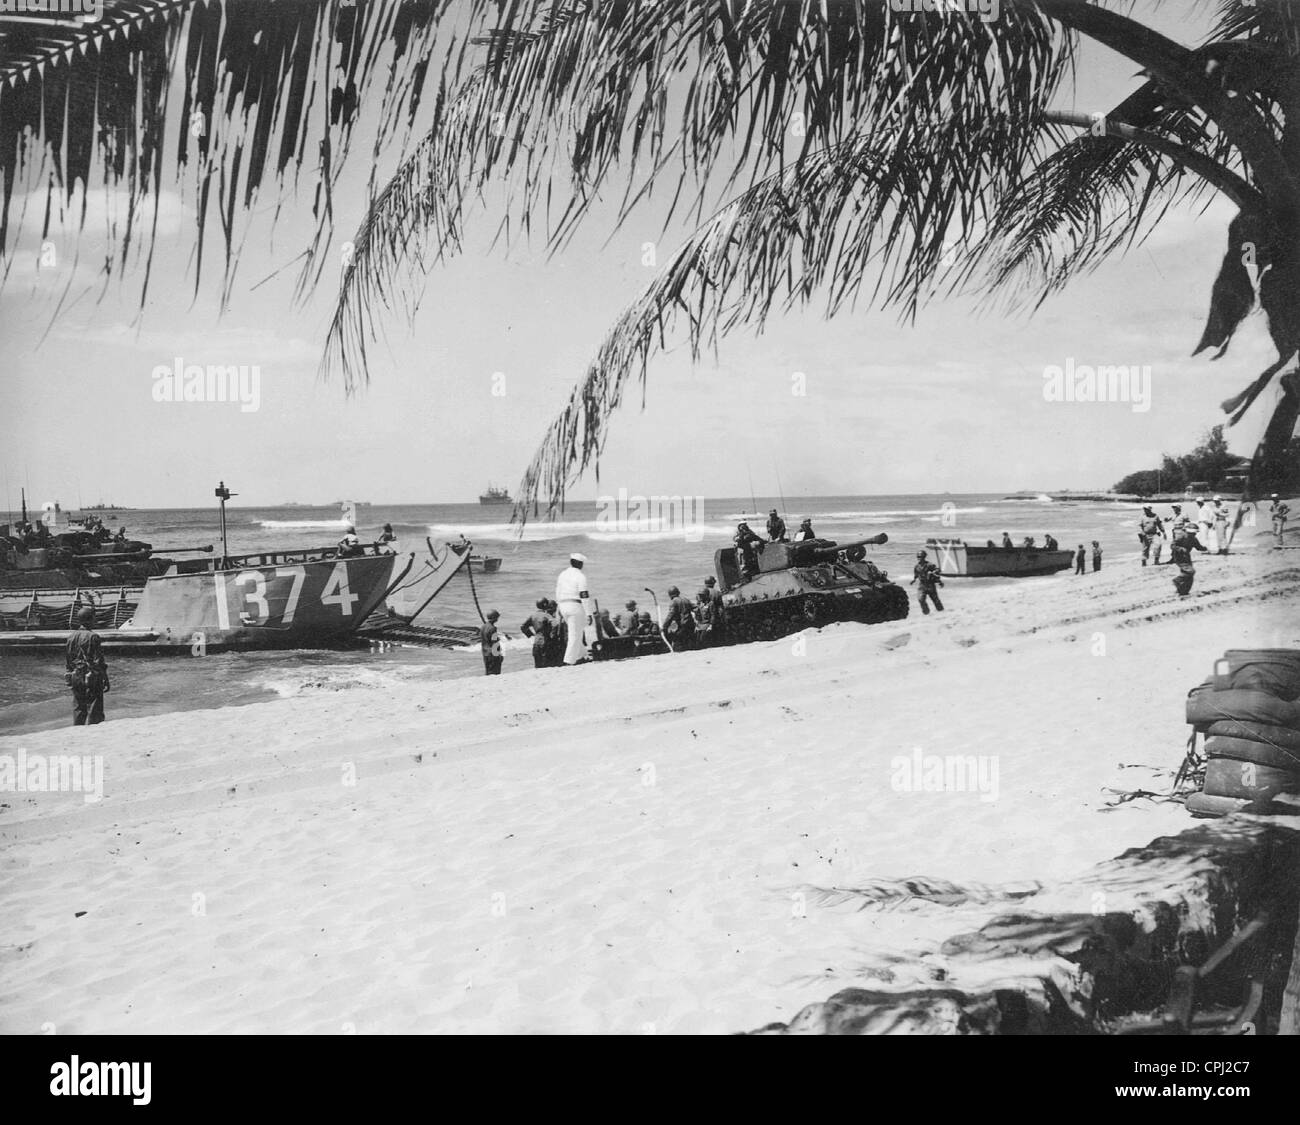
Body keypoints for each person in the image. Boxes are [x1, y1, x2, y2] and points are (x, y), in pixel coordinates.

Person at [65, 606, 109, 726]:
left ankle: (78, 730)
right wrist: (105, 678)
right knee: (95, 708)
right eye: (93, 618)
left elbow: (68, 660)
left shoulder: (71, 637)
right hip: (92, 675)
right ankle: (94, 733)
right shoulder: (93, 636)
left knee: (78, 707)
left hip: (75, 674)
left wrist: (69, 676)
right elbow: (99, 661)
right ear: (90, 619)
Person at [555, 552, 592, 665]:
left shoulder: (562, 574)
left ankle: (582, 656)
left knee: (576, 632)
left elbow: (558, 591)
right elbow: (584, 595)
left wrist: (558, 608)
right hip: (575, 605)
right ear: (580, 564)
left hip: (563, 605)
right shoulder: (580, 576)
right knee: (575, 634)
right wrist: (589, 613)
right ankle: (569, 661)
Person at [1170, 529, 1209, 597]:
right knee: (1191, 571)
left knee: (1189, 576)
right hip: (1179, 556)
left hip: (1187, 556)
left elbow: (1198, 547)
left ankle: (1183, 591)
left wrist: (1205, 548)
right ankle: (1177, 580)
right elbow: (1172, 546)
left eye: (1194, 533)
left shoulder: (1193, 539)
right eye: (1192, 533)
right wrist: (1180, 549)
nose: (1194, 535)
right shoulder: (1181, 536)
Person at [520, 599, 553, 669]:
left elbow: (523, 627)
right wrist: (552, 634)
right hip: (546, 641)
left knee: (537, 664)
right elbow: (555, 625)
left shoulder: (533, 616)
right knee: (546, 664)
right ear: (545, 605)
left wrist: (531, 635)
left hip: (536, 641)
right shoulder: (547, 615)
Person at [661, 585, 696, 649]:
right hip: (691, 623)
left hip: (683, 625)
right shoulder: (686, 599)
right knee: (689, 639)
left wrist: (664, 626)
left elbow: (670, 615)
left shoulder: (673, 602)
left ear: (670, 595)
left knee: (678, 643)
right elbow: (695, 608)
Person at [910, 550, 944, 615]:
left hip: (930, 585)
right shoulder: (916, 566)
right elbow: (916, 575)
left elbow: (938, 570)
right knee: (920, 599)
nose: (919, 558)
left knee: (935, 600)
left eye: (920, 557)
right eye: (918, 557)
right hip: (922, 585)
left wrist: (934, 574)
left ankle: (941, 611)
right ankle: (926, 612)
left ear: (924, 557)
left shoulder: (930, 565)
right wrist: (913, 580)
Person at [480, 609, 503, 675]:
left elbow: (486, 639)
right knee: (494, 673)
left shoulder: (483, 627)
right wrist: (499, 655)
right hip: (492, 655)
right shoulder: (493, 628)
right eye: (497, 617)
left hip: (485, 653)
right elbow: (494, 644)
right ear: (494, 618)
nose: (498, 619)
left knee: (488, 672)